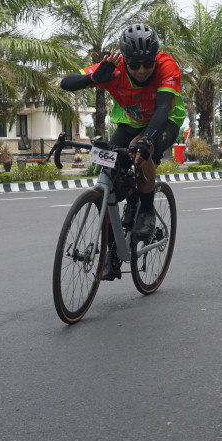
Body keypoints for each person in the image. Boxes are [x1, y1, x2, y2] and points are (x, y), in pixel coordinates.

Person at [59, 23, 186, 278]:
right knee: (109, 179)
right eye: (134, 64)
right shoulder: (113, 67)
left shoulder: (166, 65)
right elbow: (66, 83)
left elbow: (163, 108)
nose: (141, 70)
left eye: (147, 63)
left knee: (141, 151)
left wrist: (146, 141)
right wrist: (94, 78)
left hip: (164, 122)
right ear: (125, 60)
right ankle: (114, 251)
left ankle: (147, 210)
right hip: (128, 123)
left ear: (155, 58)